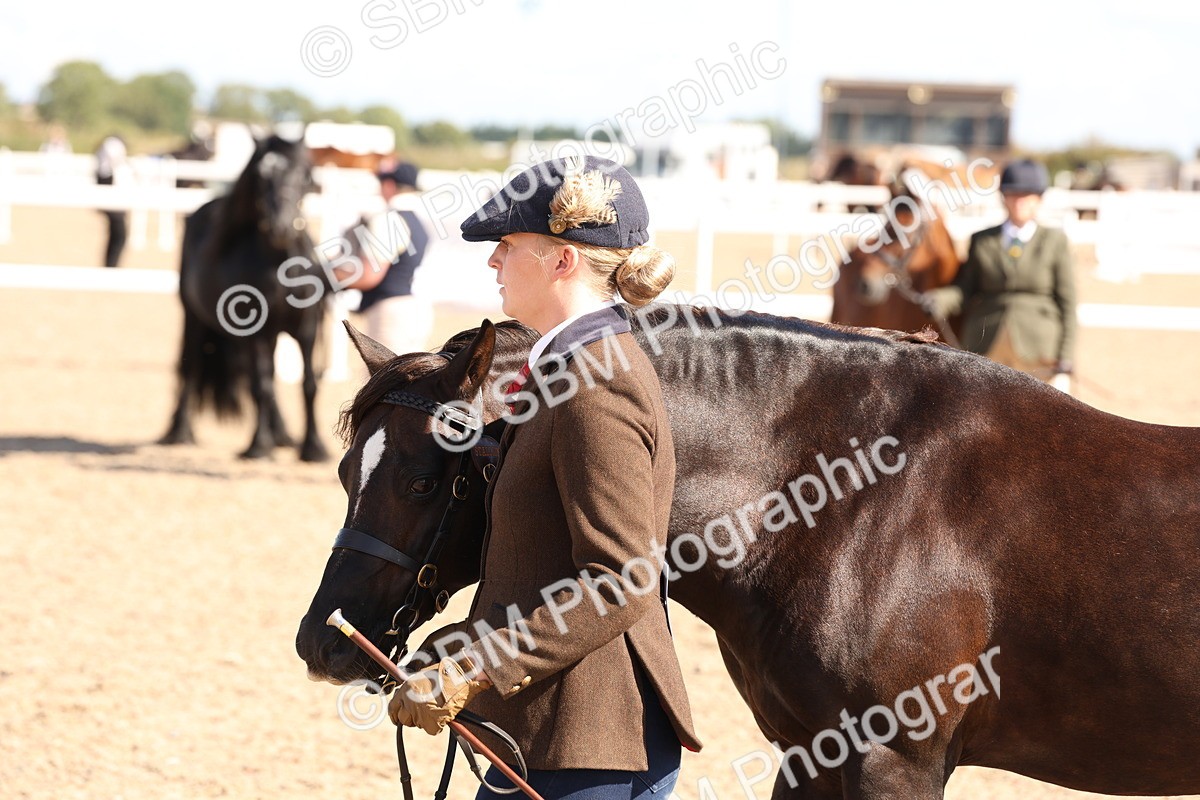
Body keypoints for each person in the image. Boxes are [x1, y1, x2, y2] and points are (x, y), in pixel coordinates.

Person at [387, 156, 701, 798]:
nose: (492, 262)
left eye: (507, 246)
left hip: (593, 745)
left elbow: (619, 580)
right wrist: (454, 647)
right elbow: (538, 562)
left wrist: (478, 665)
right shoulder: (569, 366)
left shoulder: (598, 382)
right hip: (553, 733)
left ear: (563, 261)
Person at [922, 159, 1077, 392]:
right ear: (1003, 196)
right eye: (1014, 193)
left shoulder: (1055, 241)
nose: (1020, 201)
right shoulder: (982, 240)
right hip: (986, 342)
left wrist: (1065, 358)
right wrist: (939, 299)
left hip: (1039, 347)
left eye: (1028, 195)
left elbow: (1067, 302)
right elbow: (966, 289)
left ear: (1039, 199)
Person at [335, 159, 433, 354]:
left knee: (383, 381)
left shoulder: (388, 220)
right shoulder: (419, 222)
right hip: (415, 310)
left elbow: (369, 276)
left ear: (389, 185)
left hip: (390, 313)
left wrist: (329, 275)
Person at [95, 134, 130, 268]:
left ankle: (111, 265)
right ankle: (111, 265)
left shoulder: (109, 145)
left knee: (117, 233)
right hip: (112, 193)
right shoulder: (112, 144)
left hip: (112, 191)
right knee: (119, 233)